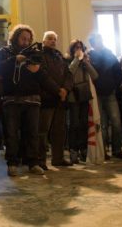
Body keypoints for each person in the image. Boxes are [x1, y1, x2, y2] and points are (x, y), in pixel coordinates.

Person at [0, 24, 57, 177]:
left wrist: (54, 87)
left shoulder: (35, 53)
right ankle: (12, 163)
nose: (26, 42)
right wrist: (15, 60)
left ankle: (33, 163)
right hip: (11, 100)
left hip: (32, 100)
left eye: (28, 39)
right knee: (12, 134)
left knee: (32, 133)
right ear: (15, 38)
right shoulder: (4, 52)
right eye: (23, 39)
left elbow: (43, 76)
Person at [88, 34, 122, 160]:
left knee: (116, 122)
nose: (99, 42)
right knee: (101, 125)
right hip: (97, 95)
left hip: (110, 93)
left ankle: (117, 150)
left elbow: (118, 71)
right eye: (97, 41)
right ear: (92, 43)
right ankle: (103, 151)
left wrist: (114, 85)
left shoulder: (109, 53)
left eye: (100, 40)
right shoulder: (89, 56)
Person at [39, 31, 73, 167]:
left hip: (61, 99)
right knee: (42, 131)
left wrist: (66, 88)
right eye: (49, 39)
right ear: (43, 41)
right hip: (47, 98)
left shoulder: (59, 55)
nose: (53, 41)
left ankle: (58, 159)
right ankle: (40, 161)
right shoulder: (39, 55)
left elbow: (68, 74)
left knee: (59, 131)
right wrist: (58, 90)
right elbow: (43, 76)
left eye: (54, 39)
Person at [66, 39, 98, 163]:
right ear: (72, 49)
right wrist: (76, 59)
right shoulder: (68, 60)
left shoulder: (86, 61)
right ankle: (73, 150)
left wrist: (86, 63)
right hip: (73, 96)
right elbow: (69, 73)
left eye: (80, 47)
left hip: (84, 95)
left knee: (84, 124)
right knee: (74, 124)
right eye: (76, 47)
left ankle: (83, 149)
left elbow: (95, 76)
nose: (79, 49)